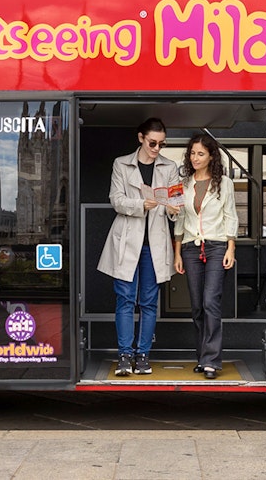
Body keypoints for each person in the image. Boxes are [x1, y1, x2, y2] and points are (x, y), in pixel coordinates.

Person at [97, 117, 180, 376]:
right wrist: (139, 205)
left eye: (161, 144)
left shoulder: (170, 167)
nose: (157, 148)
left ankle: (143, 355)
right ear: (141, 138)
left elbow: (176, 204)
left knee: (149, 302)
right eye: (153, 142)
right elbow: (116, 200)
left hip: (154, 244)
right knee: (124, 300)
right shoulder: (121, 164)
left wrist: (174, 209)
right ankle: (124, 355)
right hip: (126, 241)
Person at [173, 134, 238, 380]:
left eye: (201, 153)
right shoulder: (184, 184)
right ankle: (202, 356)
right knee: (197, 305)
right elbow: (179, 219)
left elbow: (231, 216)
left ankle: (212, 360)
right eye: (192, 153)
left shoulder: (225, 183)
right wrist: (177, 252)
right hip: (190, 247)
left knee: (212, 300)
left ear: (211, 156)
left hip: (217, 246)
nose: (195, 158)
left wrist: (231, 248)